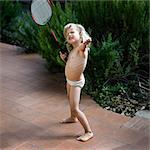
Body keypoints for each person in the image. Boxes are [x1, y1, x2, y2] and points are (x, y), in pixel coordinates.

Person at [59, 23, 93, 142]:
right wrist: (65, 59)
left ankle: (88, 131)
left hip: (76, 83)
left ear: (80, 34)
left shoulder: (81, 49)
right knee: (70, 100)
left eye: (72, 32)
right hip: (70, 80)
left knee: (75, 108)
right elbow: (73, 63)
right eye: (67, 34)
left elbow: (83, 49)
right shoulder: (73, 50)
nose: (69, 35)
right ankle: (73, 118)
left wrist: (85, 43)